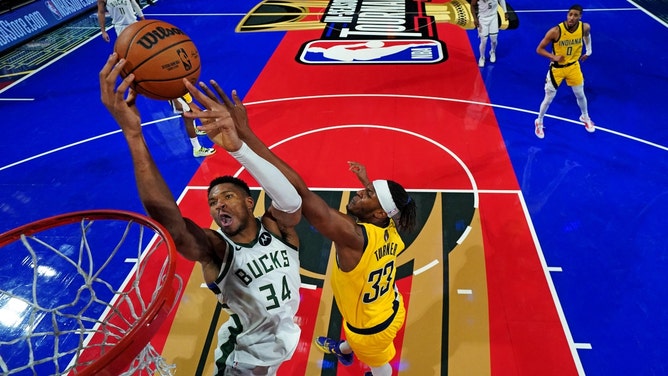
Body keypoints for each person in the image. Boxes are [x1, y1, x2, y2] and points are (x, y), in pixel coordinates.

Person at [184, 80, 418, 376]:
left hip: (370, 327)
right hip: (388, 306)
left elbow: (300, 192)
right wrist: (366, 182)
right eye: (366, 189)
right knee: (354, 332)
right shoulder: (391, 228)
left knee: (378, 364)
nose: (359, 193)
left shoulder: (353, 236)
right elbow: (386, 206)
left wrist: (245, 137)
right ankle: (344, 351)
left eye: (367, 194)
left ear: (381, 211)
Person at [99, 53, 304, 376]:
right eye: (213, 201)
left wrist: (240, 147)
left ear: (250, 203)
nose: (219, 204)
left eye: (228, 196)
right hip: (243, 362)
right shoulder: (218, 250)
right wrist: (134, 136)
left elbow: (291, 201)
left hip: (281, 345)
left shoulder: (277, 229)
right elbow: (173, 226)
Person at [534, 4, 595, 139]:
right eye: (570, 14)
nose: (572, 17)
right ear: (567, 15)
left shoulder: (584, 27)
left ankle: (585, 117)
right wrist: (553, 57)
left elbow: (587, 36)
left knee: (580, 94)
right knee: (549, 98)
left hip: (573, 66)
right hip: (557, 69)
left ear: (580, 17)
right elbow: (539, 49)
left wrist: (589, 51)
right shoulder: (556, 31)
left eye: (575, 15)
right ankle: (539, 121)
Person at [471, 0, 507, 67]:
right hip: (482, 19)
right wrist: (475, 19)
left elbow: (501, 0)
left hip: (493, 17)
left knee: (494, 40)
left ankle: (492, 51)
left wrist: (505, 12)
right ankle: (482, 57)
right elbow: (472, 5)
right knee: (483, 41)